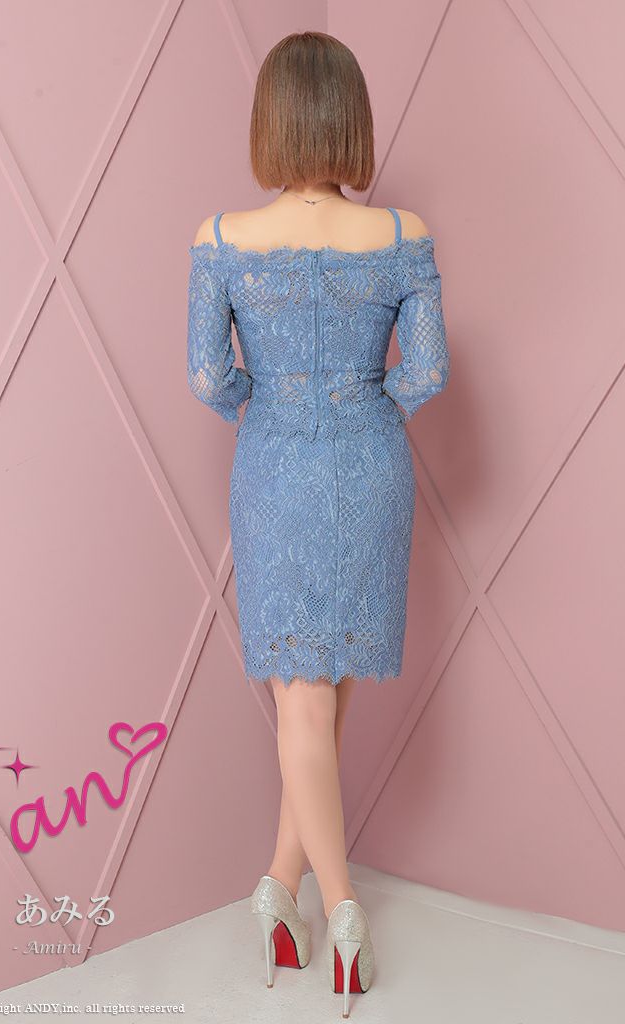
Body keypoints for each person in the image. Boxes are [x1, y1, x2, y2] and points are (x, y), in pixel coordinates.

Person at [187, 30, 449, 1018]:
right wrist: (364, 406)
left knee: (305, 697)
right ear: (350, 120)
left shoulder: (220, 238)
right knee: (327, 691)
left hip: (275, 465)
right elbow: (427, 372)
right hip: (371, 463)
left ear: (269, 122)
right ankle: (330, 905)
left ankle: (297, 896)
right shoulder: (402, 234)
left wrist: (272, 408)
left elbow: (207, 376)